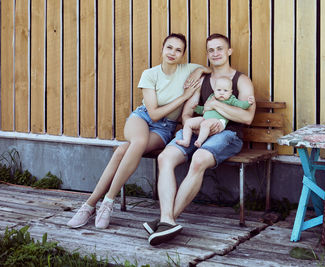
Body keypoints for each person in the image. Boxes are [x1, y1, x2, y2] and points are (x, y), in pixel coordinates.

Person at [67, 33, 209, 229]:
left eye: (178, 50)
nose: (172, 53)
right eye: (169, 47)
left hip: (164, 128)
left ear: (183, 55)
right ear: (162, 49)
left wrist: (199, 70)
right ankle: (107, 202)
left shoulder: (188, 69)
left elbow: (209, 69)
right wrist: (184, 96)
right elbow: (154, 113)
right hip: (142, 118)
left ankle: (91, 204)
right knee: (139, 142)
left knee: (122, 151)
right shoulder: (150, 74)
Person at [144, 33, 256, 246]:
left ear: (229, 51)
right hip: (197, 130)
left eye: (220, 49)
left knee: (198, 160)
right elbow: (187, 113)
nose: (215, 53)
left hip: (227, 134)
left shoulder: (241, 80)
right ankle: (167, 220)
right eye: (211, 50)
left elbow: (247, 117)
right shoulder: (202, 79)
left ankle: (165, 222)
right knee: (165, 158)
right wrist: (197, 123)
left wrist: (217, 107)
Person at [176, 76, 255, 148]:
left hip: (219, 121)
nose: (221, 93)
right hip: (206, 119)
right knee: (189, 122)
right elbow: (204, 110)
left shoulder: (231, 99)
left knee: (205, 124)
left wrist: (248, 103)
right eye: (219, 90)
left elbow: (241, 105)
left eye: (225, 90)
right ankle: (186, 141)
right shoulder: (212, 97)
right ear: (214, 90)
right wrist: (196, 108)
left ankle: (199, 141)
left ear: (230, 92)